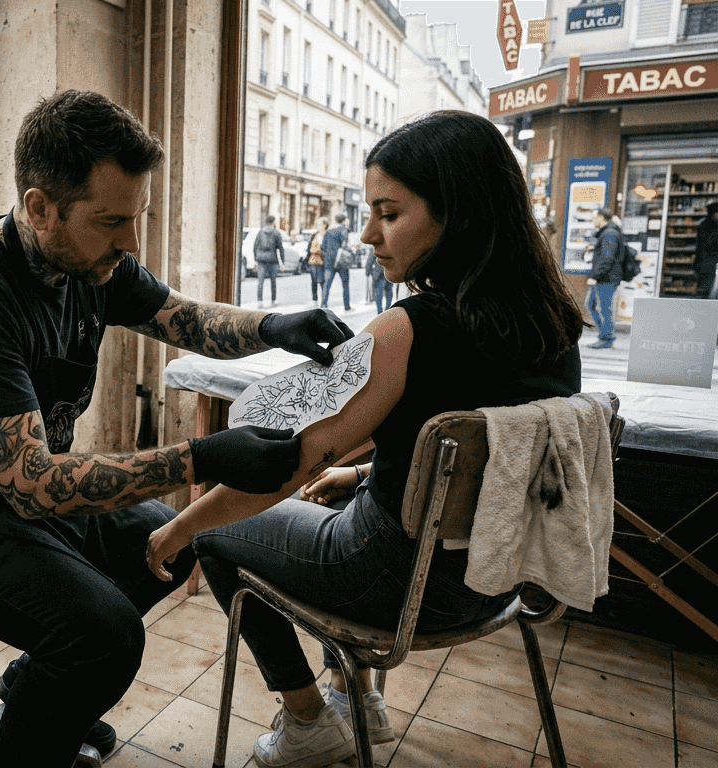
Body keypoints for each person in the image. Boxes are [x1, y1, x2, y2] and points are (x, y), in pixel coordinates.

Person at [0, 89, 354, 768]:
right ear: (39, 207)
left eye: (139, 217)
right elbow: (37, 486)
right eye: (111, 222)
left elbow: (184, 319)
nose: (131, 242)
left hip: (17, 506)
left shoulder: (92, 264)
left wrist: (274, 327)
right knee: (104, 634)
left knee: (170, 543)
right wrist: (201, 456)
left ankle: (37, 698)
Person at [145, 110, 585, 768]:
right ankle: (359, 702)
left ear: (456, 213)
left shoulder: (405, 330)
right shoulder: (556, 323)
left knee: (216, 535)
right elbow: (471, 435)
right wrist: (359, 473)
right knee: (346, 499)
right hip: (500, 576)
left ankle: (308, 722)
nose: (366, 233)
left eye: (389, 212)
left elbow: (287, 464)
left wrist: (175, 528)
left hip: (401, 586)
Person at [586, 207, 623, 349]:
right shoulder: (608, 233)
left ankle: (607, 337)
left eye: (594, 217)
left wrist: (595, 276)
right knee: (591, 305)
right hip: (605, 276)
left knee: (603, 308)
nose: (592, 220)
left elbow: (608, 257)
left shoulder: (609, 233)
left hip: (606, 278)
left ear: (601, 217)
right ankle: (604, 335)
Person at [320, 213, 352, 311]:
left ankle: (324, 305)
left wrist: (327, 257)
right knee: (345, 284)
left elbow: (323, 247)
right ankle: (347, 306)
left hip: (329, 261)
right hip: (341, 262)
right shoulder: (344, 230)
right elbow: (344, 245)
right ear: (343, 220)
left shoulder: (329, 230)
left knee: (327, 284)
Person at [254, 215, 284, 305]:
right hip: (272, 259)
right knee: (273, 281)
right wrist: (282, 262)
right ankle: (273, 300)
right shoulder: (276, 232)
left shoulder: (260, 232)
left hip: (261, 260)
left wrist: (255, 259)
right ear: (273, 222)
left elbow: (255, 247)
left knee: (260, 282)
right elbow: (281, 248)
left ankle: (259, 302)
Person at [696, 201, 718, 300]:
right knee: (708, 293)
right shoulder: (707, 227)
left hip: (706, 264)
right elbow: (709, 245)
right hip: (708, 265)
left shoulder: (704, 224)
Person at [307, 216, 328, 304]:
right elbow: (309, 247)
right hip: (313, 260)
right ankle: (314, 299)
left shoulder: (327, 235)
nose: (317, 226)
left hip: (322, 261)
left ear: (324, 225)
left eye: (319, 224)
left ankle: (324, 301)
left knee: (322, 281)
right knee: (313, 281)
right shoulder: (315, 235)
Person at [366, 243, 392, 313]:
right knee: (388, 293)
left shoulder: (375, 246)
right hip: (388, 272)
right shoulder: (390, 245)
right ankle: (387, 310)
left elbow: (370, 261)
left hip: (379, 274)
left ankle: (380, 312)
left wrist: (368, 272)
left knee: (379, 294)